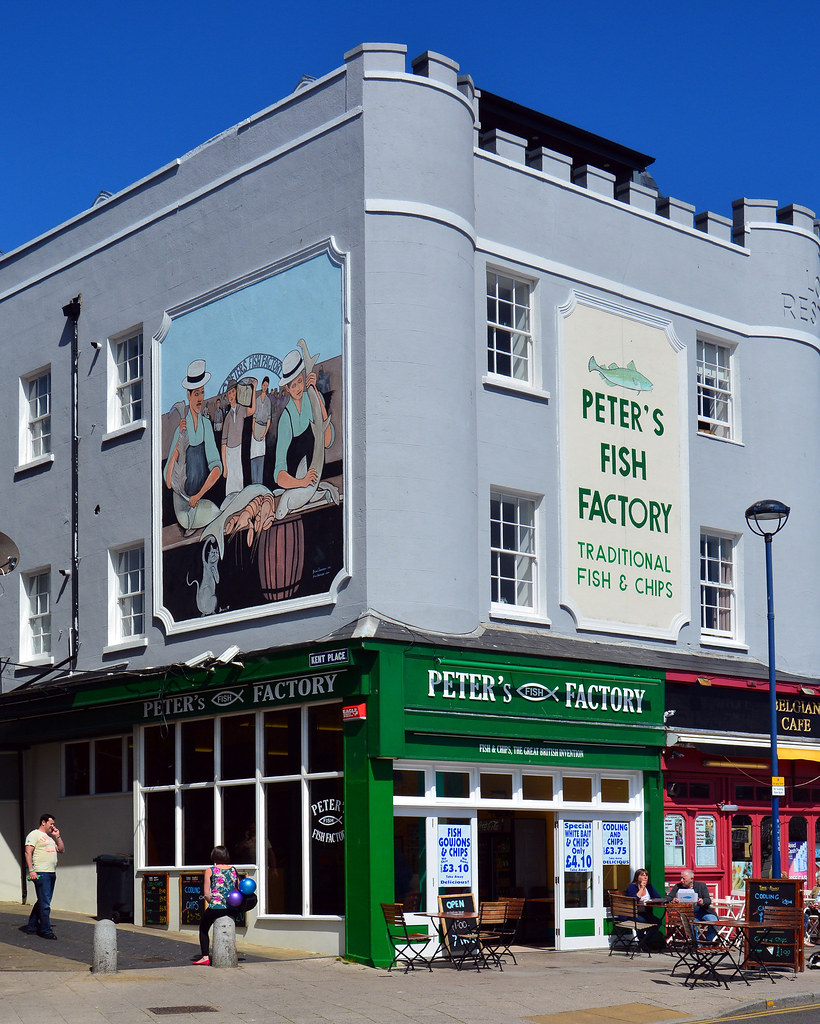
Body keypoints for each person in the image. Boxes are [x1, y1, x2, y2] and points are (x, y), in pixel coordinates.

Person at [164, 360, 222, 534]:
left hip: (199, 499)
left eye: (202, 393)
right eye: (196, 394)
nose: (200, 398)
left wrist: (199, 495)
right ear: (189, 395)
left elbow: (217, 468)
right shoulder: (180, 429)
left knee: (217, 513)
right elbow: (168, 482)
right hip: (182, 503)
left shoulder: (205, 425)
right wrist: (176, 448)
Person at [193, 845, 239, 966]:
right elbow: (238, 888)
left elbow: (207, 894)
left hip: (216, 907)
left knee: (203, 928)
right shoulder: (233, 869)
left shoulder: (210, 870)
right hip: (232, 908)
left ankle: (205, 956)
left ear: (214, 856)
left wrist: (213, 903)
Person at [23, 812, 64, 939]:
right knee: (45, 903)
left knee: (43, 900)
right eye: (51, 823)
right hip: (41, 872)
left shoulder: (49, 837)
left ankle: (32, 926)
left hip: (51, 873)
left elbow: (61, 849)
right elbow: (28, 852)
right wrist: (31, 870)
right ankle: (46, 930)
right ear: (43, 822)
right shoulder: (34, 834)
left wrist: (57, 836)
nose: (53, 826)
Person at [668, 866, 718, 942]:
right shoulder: (678, 887)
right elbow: (669, 898)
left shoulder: (701, 886)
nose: (681, 880)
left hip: (704, 911)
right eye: (681, 878)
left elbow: (708, 900)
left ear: (691, 879)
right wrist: (673, 900)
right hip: (688, 913)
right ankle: (697, 943)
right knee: (690, 922)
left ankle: (708, 943)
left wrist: (702, 901)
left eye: (683, 879)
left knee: (714, 921)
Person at [624, 868, 664, 949]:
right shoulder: (631, 886)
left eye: (646, 875)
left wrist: (651, 900)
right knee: (643, 922)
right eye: (642, 875)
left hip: (646, 913)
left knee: (657, 922)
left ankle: (644, 942)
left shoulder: (649, 886)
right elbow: (634, 900)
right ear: (637, 877)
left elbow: (657, 897)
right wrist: (642, 888)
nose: (645, 877)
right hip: (633, 913)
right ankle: (643, 943)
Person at [250, 376, 272, 484]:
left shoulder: (268, 401)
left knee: (261, 456)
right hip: (256, 428)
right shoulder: (257, 400)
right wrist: (253, 431)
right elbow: (254, 417)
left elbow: (269, 418)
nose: (265, 387)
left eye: (266, 386)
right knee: (254, 455)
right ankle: (254, 483)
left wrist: (265, 433)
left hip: (263, 429)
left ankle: (260, 483)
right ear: (261, 385)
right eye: (264, 385)